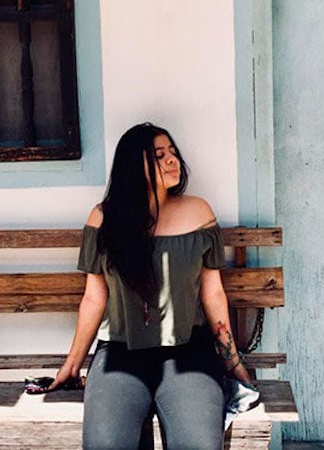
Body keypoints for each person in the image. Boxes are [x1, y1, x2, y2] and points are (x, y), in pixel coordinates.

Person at [50, 122, 253, 449]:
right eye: (159, 155)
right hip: (120, 352)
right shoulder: (103, 219)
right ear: (133, 164)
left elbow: (213, 293)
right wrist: (72, 364)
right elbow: (94, 297)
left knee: (198, 445)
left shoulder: (198, 212)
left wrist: (234, 363)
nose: (172, 160)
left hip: (189, 351)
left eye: (172, 152)